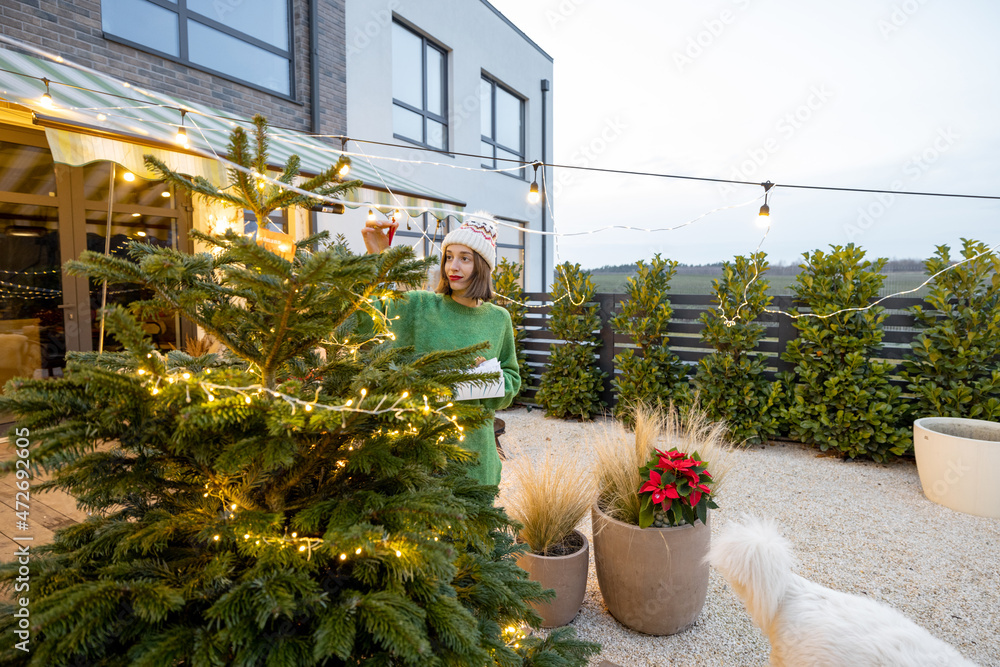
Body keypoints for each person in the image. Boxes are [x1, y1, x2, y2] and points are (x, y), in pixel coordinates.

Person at [362, 211, 521, 487]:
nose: (453, 267)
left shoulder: (498, 319)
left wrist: (487, 378)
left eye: (465, 258)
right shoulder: (421, 307)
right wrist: (378, 258)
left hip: (477, 457)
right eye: (449, 256)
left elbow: (512, 381)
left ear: (482, 265)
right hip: (423, 457)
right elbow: (366, 321)